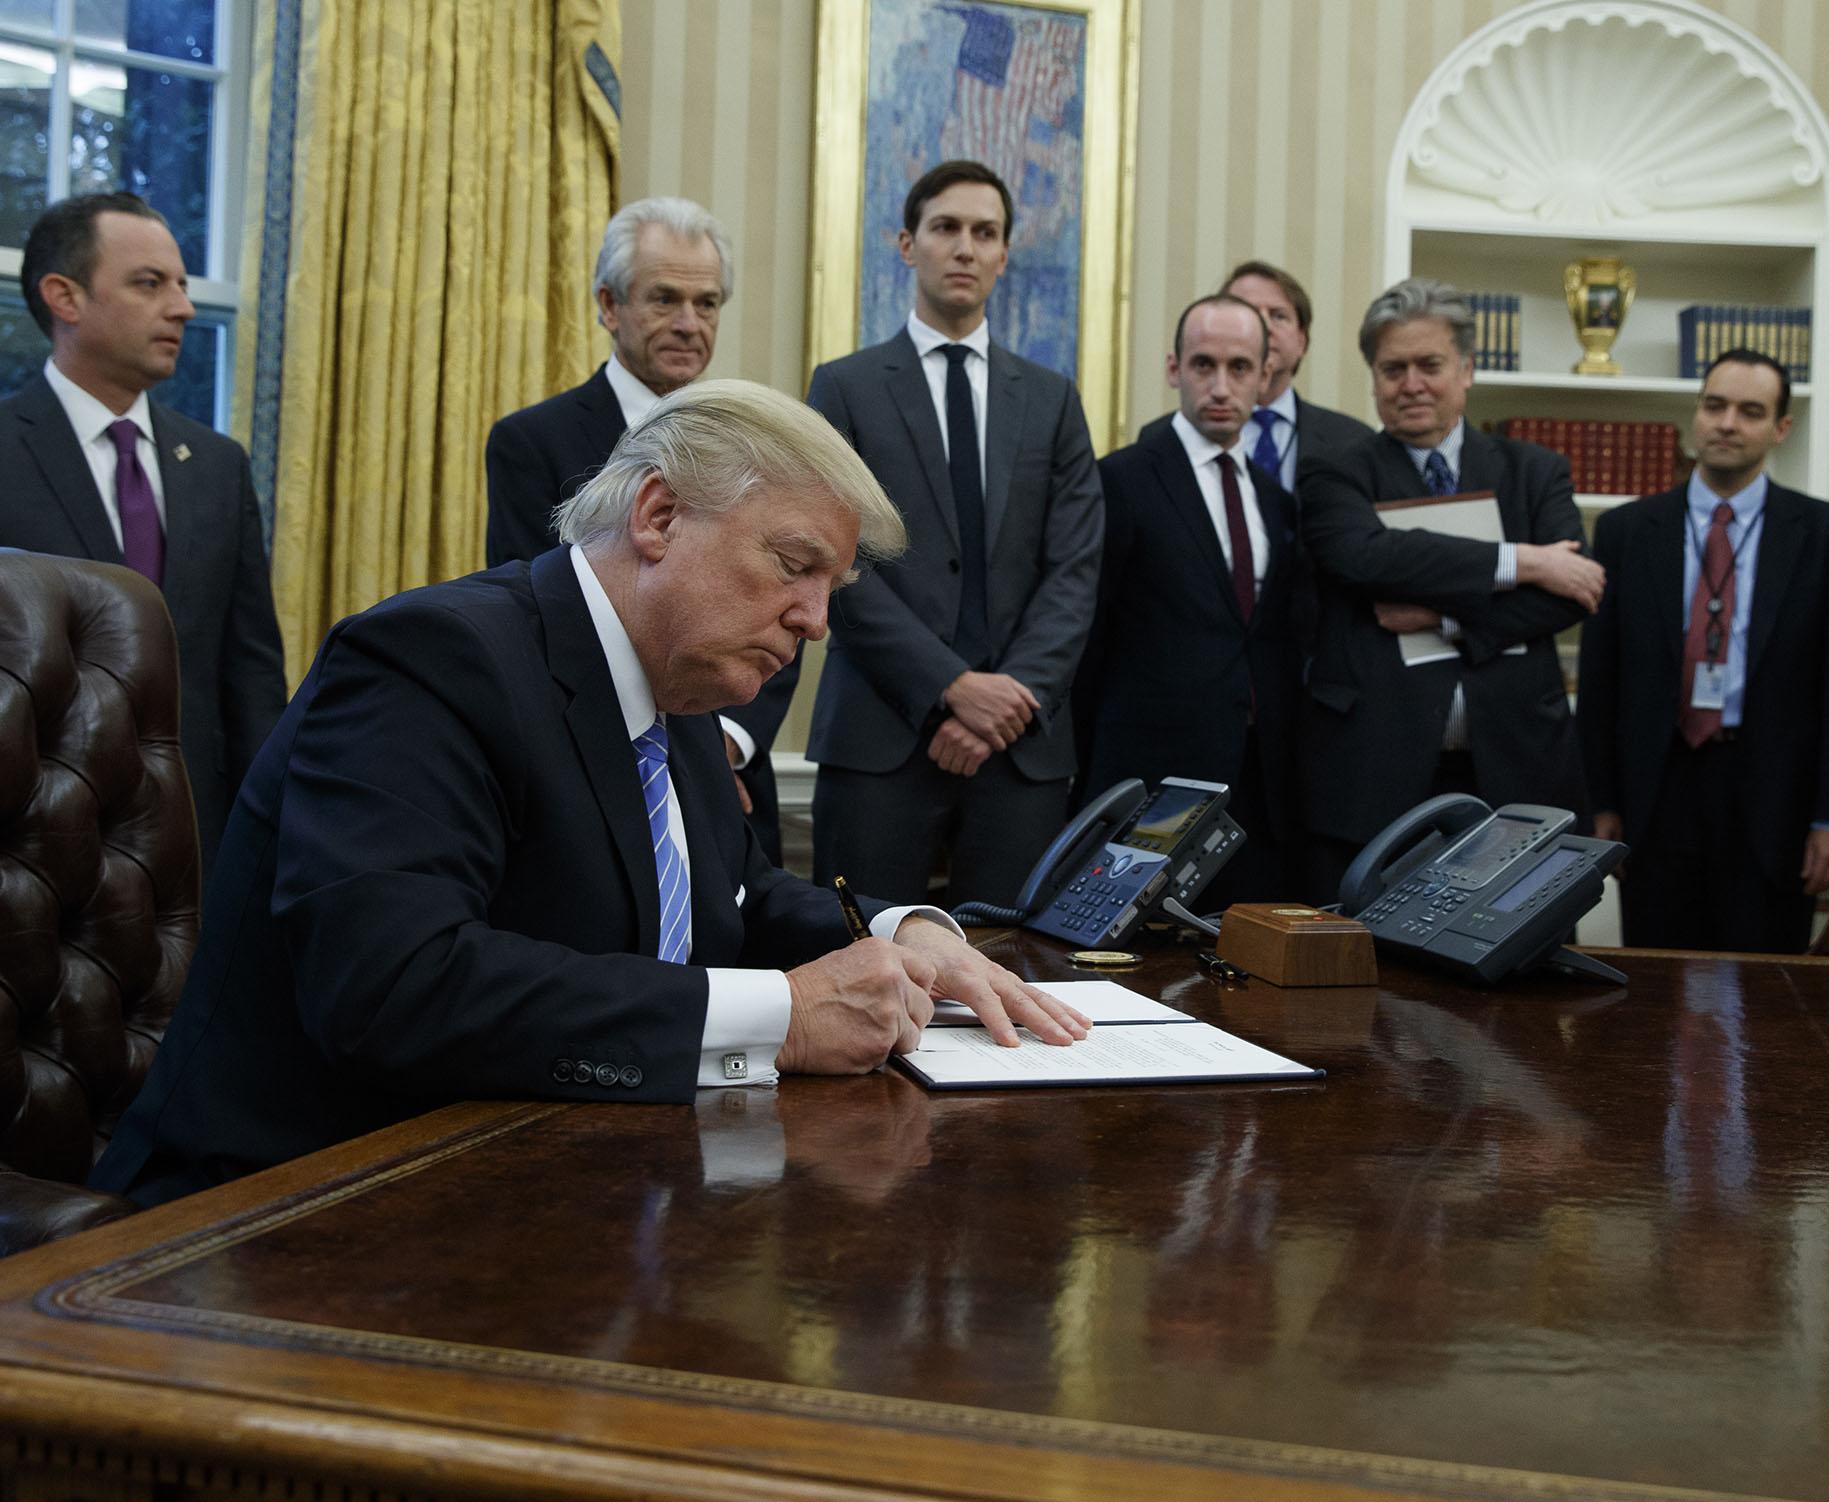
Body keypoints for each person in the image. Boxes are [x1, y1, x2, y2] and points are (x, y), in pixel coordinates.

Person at [90, 381, 1091, 1208]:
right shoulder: (431, 662)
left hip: (536, 1183)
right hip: (289, 1210)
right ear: (658, 516)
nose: (815, 622)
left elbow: (732, 903)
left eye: (830, 588)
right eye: (794, 568)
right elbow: (393, 985)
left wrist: (907, 927)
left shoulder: (681, 695)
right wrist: (778, 1015)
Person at [805, 160, 1103, 909]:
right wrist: (949, 688)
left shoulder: (1051, 399)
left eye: (985, 232)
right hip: (881, 737)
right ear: (908, 245)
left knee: (1017, 977)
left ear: (1005, 253)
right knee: (860, 964)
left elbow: (1074, 569)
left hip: (1019, 751)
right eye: (946, 228)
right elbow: (831, 558)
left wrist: (1005, 704)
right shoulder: (844, 388)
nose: (965, 247)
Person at [484, 198, 792, 860]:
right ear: (609, 304)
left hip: (729, 787)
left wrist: (726, 743)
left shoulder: (765, 450)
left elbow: (789, 610)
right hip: (586, 780)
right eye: (664, 300)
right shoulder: (531, 442)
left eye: (707, 304)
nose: (689, 324)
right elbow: (534, 623)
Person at [0, 191, 285, 873]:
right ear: (64, 298)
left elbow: (248, 671)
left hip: (195, 841)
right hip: (29, 837)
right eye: (149, 284)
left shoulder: (217, 465)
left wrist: (270, 833)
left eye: (183, 285)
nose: (182, 307)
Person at [1295, 278, 1606, 900]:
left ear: (1466, 370)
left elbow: (1569, 594)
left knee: (1519, 967)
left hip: (1517, 764)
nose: (1411, 384)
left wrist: (1444, 617)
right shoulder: (1335, 470)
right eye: (1393, 369)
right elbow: (1366, 556)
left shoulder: (1534, 470)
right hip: (1380, 769)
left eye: (1429, 365)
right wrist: (1522, 562)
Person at [1577, 349, 1829, 952]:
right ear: (1696, 414)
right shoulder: (1626, 532)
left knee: (1766, 995)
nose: (1727, 423)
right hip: (1656, 795)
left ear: (1780, 429)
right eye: (1714, 406)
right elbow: (1601, 680)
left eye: (1750, 410)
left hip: (1775, 797)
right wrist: (1599, 803)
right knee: (1655, 991)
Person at [1075, 294, 1299, 907]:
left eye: (1239, 367)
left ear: (1265, 376)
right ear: (1175, 369)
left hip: (1256, 787)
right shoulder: (1120, 480)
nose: (1220, 386)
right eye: (1204, 365)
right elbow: (1087, 638)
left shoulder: (1277, 500)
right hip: (1146, 780)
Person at [1221, 259, 1373, 491]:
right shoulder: (1169, 438)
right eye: (1248, 314)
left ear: (1301, 341)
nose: (1265, 327)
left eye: (1278, 316)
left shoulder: (1354, 440)